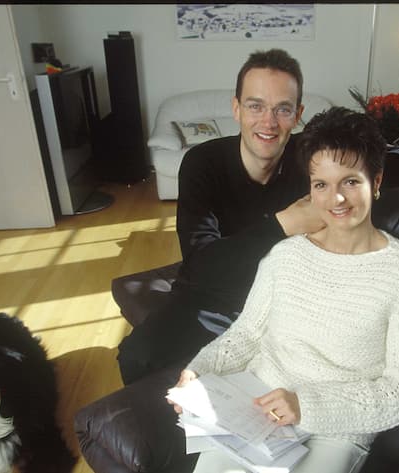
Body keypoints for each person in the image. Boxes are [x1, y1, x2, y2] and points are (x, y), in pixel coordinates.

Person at [170, 107, 399, 473]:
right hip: (258, 403)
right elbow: (246, 334)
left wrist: (305, 405)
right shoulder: (285, 256)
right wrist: (200, 370)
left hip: (340, 426)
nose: (336, 199)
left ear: (376, 181)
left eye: (350, 182)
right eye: (321, 185)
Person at [116, 49, 325, 385]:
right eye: (255, 106)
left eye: (283, 109)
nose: (269, 122)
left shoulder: (311, 157)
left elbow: (388, 157)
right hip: (212, 295)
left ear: (298, 114)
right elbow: (202, 264)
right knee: (137, 356)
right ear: (236, 108)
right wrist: (284, 224)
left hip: (284, 298)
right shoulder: (202, 163)